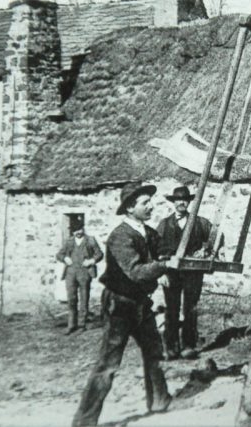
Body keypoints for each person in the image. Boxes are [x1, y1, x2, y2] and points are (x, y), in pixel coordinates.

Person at [72, 182, 179, 427]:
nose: (151, 206)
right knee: (108, 365)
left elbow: (163, 254)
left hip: (141, 304)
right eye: (145, 203)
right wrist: (164, 266)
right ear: (130, 208)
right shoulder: (119, 237)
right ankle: (84, 420)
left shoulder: (149, 233)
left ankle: (160, 400)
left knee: (154, 352)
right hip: (119, 306)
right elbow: (136, 271)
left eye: (150, 201)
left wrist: (175, 259)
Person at [156, 186, 212, 360]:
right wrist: (161, 273)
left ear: (189, 202)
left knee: (191, 308)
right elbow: (155, 249)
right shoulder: (164, 224)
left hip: (193, 273)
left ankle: (188, 345)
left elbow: (215, 237)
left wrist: (206, 250)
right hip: (171, 272)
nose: (181, 203)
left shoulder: (200, 222)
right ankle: (171, 347)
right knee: (171, 308)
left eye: (185, 200)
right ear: (173, 202)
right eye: (178, 200)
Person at [55, 220, 103, 334]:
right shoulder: (69, 241)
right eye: (75, 231)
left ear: (83, 229)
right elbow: (59, 254)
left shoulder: (90, 240)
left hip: (85, 273)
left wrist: (91, 261)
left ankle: (82, 325)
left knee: (84, 299)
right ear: (72, 231)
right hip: (70, 273)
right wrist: (64, 258)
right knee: (71, 299)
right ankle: (71, 325)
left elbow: (99, 254)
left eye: (80, 230)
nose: (78, 232)